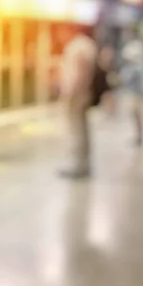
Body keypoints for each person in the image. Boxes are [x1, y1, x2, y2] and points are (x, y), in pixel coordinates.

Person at [59, 26, 98, 179]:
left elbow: (79, 72)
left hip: (76, 94)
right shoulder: (89, 45)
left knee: (75, 128)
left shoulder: (78, 47)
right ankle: (83, 163)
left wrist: (71, 93)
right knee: (82, 128)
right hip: (85, 92)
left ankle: (77, 165)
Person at [121, 37, 143, 146]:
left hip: (136, 96)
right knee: (137, 116)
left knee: (137, 116)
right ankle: (139, 136)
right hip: (137, 95)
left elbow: (126, 79)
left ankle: (139, 137)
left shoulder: (136, 68)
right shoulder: (140, 67)